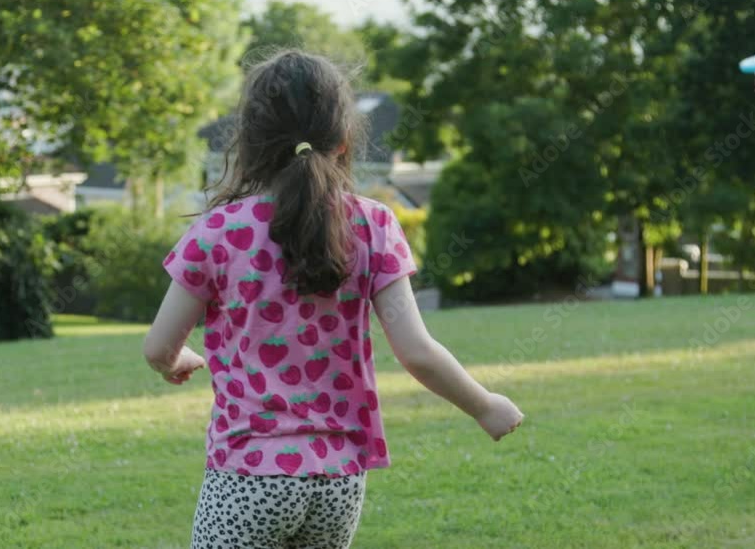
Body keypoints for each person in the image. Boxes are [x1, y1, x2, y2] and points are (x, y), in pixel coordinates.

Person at [143, 50, 524, 549]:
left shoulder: (219, 231)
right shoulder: (373, 225)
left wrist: (179, 359)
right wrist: (484, 405)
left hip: (248, 476)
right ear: (343, 141)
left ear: (252, 143)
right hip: (338, 481)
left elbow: (157, 348)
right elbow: (417, 353)